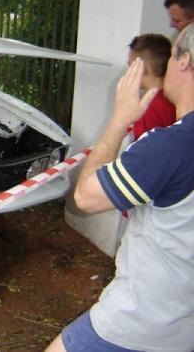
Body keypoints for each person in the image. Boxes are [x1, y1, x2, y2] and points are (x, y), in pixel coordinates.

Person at [46, 24, 194, 352]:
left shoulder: (172, 145)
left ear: (184, 62)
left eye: (172, 55)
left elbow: (85, 197)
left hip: (143, 321)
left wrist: (119, 118)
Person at [127, 33, 176, 140]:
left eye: (130, 66)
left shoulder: (146, 109)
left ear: (142, 69)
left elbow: (141, 153)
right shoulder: (177, 99)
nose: (128, 73)